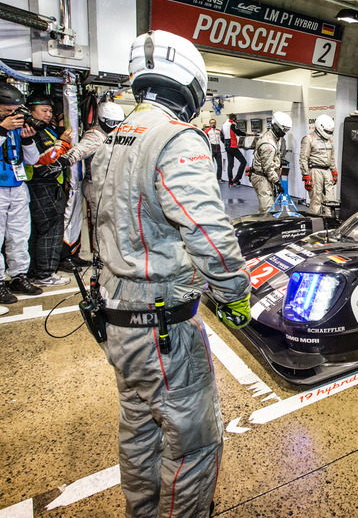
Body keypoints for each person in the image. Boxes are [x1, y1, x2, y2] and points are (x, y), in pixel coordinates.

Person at [91, 30, 251, 517]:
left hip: (118, 320)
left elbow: (88, 233)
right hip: (162, 327)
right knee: (194, 443)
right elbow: (207, 230)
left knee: (139, 431)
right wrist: (235, 292)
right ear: (190, 86)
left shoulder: (106, 141)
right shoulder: (176, 138)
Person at [57, 101, 125, 269]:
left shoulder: (118, 134)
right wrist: (64, 160)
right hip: (95, 184)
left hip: (112, 184)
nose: (115, 126)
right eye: (111, 123)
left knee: (113, 221)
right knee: (101, 221)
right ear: (102, 120)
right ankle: (101, 257)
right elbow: (80, 149)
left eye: (118, 123)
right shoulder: (96, 135)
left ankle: (109, 254)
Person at [0, 82, 43, 303]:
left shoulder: (17, 125)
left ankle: (19, 275)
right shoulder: (5, 126)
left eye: (14, 110)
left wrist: (27, 139)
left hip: (17, 186)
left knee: (19, 234)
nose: (12, 114)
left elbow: (33, 160)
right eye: (7, 110)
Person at [27, 94, 73, 286]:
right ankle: (45, 273)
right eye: (43, 111)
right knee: (50, 229)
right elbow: (43, 158)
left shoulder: (45, 130)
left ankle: (33, 271)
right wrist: (63, 142)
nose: (48, 115)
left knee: (39, 230)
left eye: (50, 111)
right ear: (31, 111)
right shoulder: (33, 131)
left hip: (46, 184)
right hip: (41, 183)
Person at [250, 111, 291, 214]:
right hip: (262, 177)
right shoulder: (268, 144)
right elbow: (267, 168)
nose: (285, 133)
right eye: (284, 130)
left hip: (266, 176)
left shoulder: (275, 138)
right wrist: (277, 182)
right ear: (277, 127)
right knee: (267, 208)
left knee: (268, 205)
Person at [300, 114, 337, 216]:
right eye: (327, 132)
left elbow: (332, 157)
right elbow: (303, 158)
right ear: (320, 127)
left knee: (330, 199)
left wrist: (334, 171)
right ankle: (315, 222)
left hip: (327, 171)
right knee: (316, 198)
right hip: (315, 171)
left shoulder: (329, 140)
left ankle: (330, 221)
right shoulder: (309, 139)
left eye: (330, 132)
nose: (329, 134)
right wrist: (306, 175)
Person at [221, 113, 250, 187]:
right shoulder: (232, 125)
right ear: (233, 118)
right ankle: (237, 178)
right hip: (233, 146)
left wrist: (225, 143)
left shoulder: (224, 125)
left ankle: (230, 181)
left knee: (230, 164)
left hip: (227, 146)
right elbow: (239, 133)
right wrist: (250, 134)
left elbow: (221, 137)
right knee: (243, 162)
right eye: (236, 118)